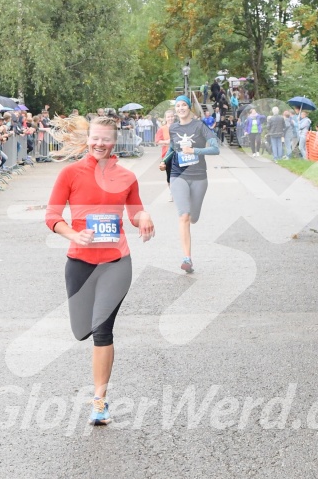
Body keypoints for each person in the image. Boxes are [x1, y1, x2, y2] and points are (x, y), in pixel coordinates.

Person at [45, 116, 155, 425]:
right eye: (95, 138)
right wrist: (73, 234)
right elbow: (52, 215)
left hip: (115, 262)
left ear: (114, 141)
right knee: (82, 329)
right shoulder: (70, 173)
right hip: (79, 262)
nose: (100, 144)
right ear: (88, 138)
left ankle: (99, 401)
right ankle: (98, 391)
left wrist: (144, 216)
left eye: (106, 139)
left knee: (102, 330)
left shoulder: (125, 177)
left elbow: (135, 212)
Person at [159, 95, 219, 273]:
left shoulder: (200, 126)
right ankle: (187, 258)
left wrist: (195, 150)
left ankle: (193, 217)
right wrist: (165, 160)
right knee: (183, 216)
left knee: (194, 217)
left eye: (183, 105)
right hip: (179, 175)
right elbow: (173, 148)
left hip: (199, 176)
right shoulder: (174, 127)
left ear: (189, 107)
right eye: (177, 106)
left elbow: (215, 148)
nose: (180, 108)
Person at [155, 109, 175, 201]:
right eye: (168, 117)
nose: (170, 118)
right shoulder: (162, 129)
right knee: (169, 175)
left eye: (172, 116)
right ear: (165, 118)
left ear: (174, 117)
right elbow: (157, 141)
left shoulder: (178, 127)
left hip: (178, 153)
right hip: (167, 155)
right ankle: (171, 192)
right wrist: (166, 142)